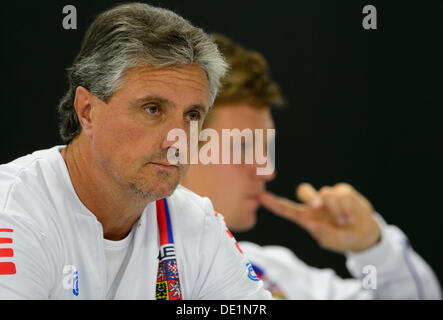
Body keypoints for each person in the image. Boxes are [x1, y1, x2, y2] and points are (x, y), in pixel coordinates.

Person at [0, 4, 270, 299]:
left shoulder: (198, 223)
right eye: (153, 109)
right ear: (88, 111)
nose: (177, 140)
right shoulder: (13, 211)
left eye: (192, 115)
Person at [181, 33, 442, 299]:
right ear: (177, 149)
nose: (267, 170)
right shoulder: (140, 275)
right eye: (243, 147)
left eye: (266, 148)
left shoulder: (269, 274)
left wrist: (373, 248)